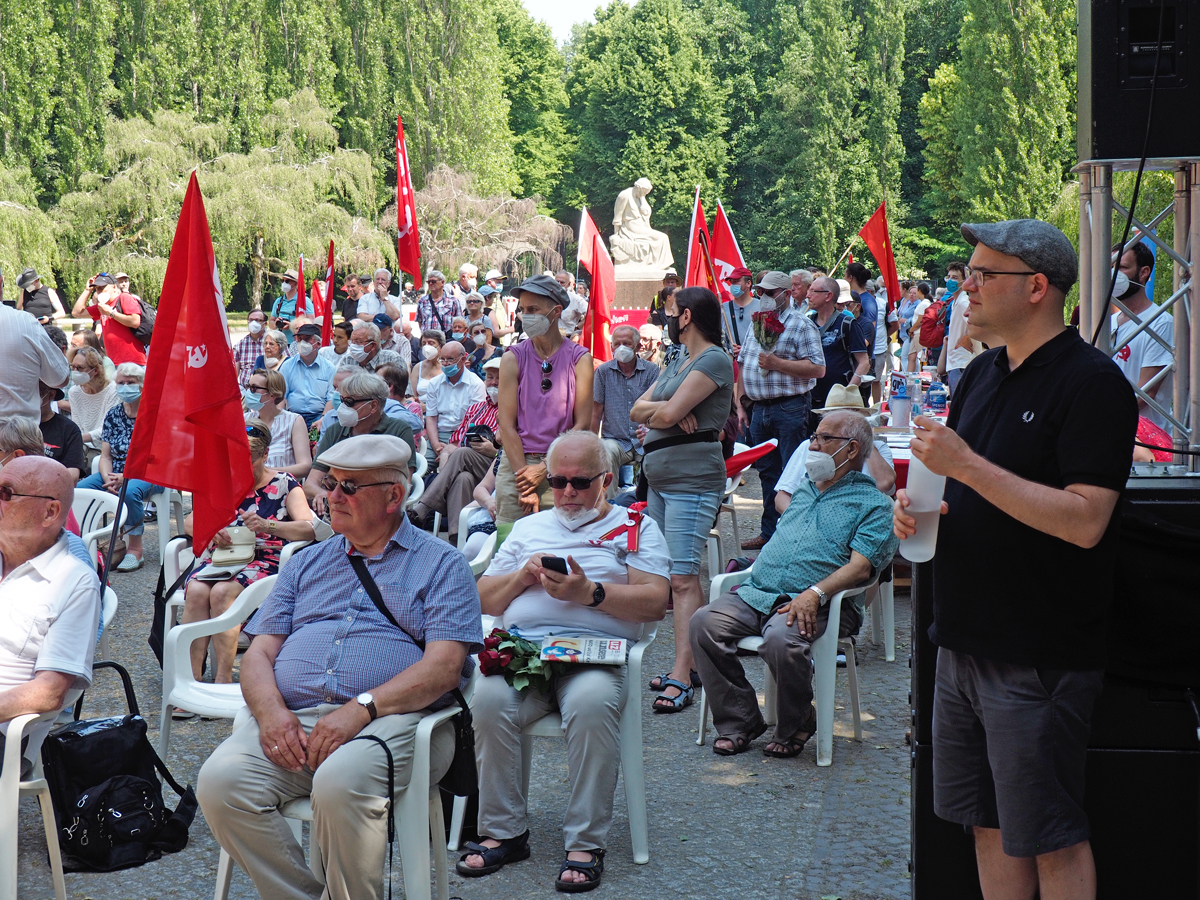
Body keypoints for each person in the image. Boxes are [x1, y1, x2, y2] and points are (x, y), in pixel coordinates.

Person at [892, 219, 1138, 900]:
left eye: (981, 275)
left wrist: (966, 466)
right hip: (964, 643)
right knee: (987, 826)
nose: (964, 287)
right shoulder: (980, 376)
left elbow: (1086, 520)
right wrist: (919, 508)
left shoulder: (1092, 385)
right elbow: (964, 492)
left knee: (1050, 837)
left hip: (1038, 654)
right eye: (968, 273)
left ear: (1035, 288)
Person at [197, 434, 482, 900]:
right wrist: (270, 714)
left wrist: (361, 709)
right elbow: (260, 655)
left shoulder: (442, 564)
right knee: (221, 782)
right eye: (330, 483)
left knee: (340, 780)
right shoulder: (305, 562)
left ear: (394, 496)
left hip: (398, 722)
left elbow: (445, 668)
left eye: (350, 487)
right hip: (297, 721)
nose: (331, 497)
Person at [463, 430, 670, 892]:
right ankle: (504, 833)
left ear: (607, 480)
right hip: (525, 653)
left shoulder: (634, 523)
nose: (568, 492)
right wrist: (522, 576)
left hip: (594, 655)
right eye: (557, 481)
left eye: (581, 481)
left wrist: (589, 594)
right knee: (489, 700)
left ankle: (585, 842)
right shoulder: (528, 528)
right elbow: (482, 597)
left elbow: (656, 601)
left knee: (593, 703)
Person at [692, 410, 897, 757]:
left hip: (826, 603)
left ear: (850, 450)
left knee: (779, 640)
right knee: (702, 624)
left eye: (822, 439)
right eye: (815, 437)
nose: (813, 445)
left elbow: (862, 570)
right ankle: (741, 720)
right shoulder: (805, 489)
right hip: (760, 592)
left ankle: (797, 722)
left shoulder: (874, 505)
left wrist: (814, 593)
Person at [629, 287, 734, 713]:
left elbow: (663, 414)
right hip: (659, 477)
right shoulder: (675, 357)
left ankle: (684, 674)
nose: (665, 318)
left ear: (687, 316)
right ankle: (686, 667)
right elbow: (635, 409)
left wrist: (666, 410)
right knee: (668, 575)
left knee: (684, 578)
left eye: (670, 312)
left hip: (691, 479)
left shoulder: (713, 359)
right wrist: (666, 409)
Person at [178, 420, 316, 688]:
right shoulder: (222, 481)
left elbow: (308, 529)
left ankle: (223, 678)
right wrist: (212, 529)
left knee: (221, 593)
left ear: (265, 455)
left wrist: (268, 525)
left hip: (267, 559)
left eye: (248, 460)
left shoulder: (284, 483)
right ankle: (190, 678)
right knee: (196, 591)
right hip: (225, 557)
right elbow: (189, 522)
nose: (238, 466)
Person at [0, 456, 101, 777]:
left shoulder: (73, 581)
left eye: (6, 492)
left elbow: (49, 692)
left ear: (50, 512)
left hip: (8, 734)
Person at [734, 271, 827, 550]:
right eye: (761, 291)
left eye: (770, 292)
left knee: (791, 473)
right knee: (767, 473)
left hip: (790, 407)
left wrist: (778, 364)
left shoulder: (801, 324)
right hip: (758, 408)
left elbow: (818, 368)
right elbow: (743, 362)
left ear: (786, 294)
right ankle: (769, 532)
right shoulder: (757, 323)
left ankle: (791, 536)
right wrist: (740, 402)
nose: (763, 297)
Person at [495, 275, 593, 524]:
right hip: (517, 467)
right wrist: (524, 481)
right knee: (511, 546)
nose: (525, 316)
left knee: (560, 548)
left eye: (533, 309)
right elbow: (506, 424)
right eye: (523, 310)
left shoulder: (579, 359)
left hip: (564, 468)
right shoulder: (512, 358)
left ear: (556, 311)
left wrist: (545, 468)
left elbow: (581, 425)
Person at [74, 363, 166, 571]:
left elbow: (158, 457)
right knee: (79, 491)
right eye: (121, 383)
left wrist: (126, 476)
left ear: (142, 385)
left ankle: (135, 550)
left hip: (149, 473)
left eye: (130, 383)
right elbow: (105, 455)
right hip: (115, 471)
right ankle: (83, 542)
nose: (125, 387)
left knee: (130, 491)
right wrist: (108, 478)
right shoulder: (114, 414)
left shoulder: (154, 415)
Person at [409, 358, 502, 543]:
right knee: (462, 478)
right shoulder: (477, 408)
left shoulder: (511, 409)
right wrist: (444, 454)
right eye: (490, 378)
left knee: (461, 454)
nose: (493, 382)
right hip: (470, 471)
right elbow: (454, 442)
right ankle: (456, 540)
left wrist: (493, 451)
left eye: (499, 378)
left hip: (495, 470)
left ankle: (422, 507)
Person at [305, 372, 416, 514]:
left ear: (373, 405)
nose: (342, 407)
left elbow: (404, 483)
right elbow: (310, 484)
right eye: (341, 400)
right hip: (337, 507)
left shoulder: (398, 431)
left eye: (349, 402)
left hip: (377, 509)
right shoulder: (336, 430)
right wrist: (322, 493)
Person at [774, 385, 897, 507]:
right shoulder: (809, 446)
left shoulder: (877, 448)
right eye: (835, 415)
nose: (841, 422)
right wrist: (800, 518)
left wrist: (865, 438)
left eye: (848, 417)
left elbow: (885, 484)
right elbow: (782, 496)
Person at [1110, 240, 1174, 431]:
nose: (1114, 275)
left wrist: (1101, 414)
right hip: (1110, 432)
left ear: (1144, 272)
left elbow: (1146, 392)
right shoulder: (1110, 323)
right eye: (1111, 267)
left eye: (1121, 267)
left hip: (1145, 442)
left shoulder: (1160, 323)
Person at [591, 325, 659, 498]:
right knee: (605, 450)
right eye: (617, 343)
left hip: (646, 438)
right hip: (616, 440)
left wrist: (651, 431)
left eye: (627, 343)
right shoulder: (603, 372)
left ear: (637, 347)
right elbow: (596, 412)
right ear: (612, 346)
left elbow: (658, 406)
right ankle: (610, 505)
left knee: (661, 454)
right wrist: (590, 442)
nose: (621, 348)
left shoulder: (652, 371)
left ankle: (651, 504)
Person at [807, 274, 870, 412]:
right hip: (809, 400)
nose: (808, 295)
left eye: (813, 291)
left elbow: (864, 362)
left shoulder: (847, 324)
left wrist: (847, 392)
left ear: (828, 296)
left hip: (837, 404)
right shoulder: (806, 323)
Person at [424, 341, 487, 470]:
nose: (446, 364)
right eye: (443, 359)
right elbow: (431, 417)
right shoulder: (434, 383)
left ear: (463, 359)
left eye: (450, 359)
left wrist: (452, 447)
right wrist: (436, 445)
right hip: (439, 434)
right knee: (422, 466)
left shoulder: (475, 384)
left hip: (464, 437)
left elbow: (474, 423)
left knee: (452, 469)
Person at [243, 368, 312, 478]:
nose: (248, 392)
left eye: (254, 388)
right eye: (248, 386)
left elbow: (304, 466)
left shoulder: (294, 421)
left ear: (272, 394)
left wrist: (265, 472)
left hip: (282, 488)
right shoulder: (244, 420)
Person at [66, 346, 120, 473]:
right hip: (82, 445)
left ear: (95, 370)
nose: (74, 371)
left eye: (79, 368)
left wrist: (78, 439)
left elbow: (107, 429)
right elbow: (77, 425)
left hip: (104, 448)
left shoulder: (113, 390)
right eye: (72, 367)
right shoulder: (74, 392)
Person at [73, 274, 146, 367]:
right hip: (112, 362)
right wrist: (88, 290)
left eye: (103, 287)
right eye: (97, 288)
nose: (100, 291)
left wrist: (111, 313)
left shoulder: (124, 298)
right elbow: (77, 313)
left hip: (132, 361)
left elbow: (135, 322)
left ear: (114, 287)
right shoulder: (101, 306)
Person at [277, 323, 336, 428]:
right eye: (299, 339)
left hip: (319, 416)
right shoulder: (287, 366)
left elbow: (331, 398)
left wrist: (324, 419)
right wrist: (280, 418)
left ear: (318, 344)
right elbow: (281, 395)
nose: (302, 342)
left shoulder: (329, 368)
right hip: (292, 415)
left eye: (307, 339)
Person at [935, 262, 980, 395]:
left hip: (961, 363)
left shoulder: (963, 302)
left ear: (964, 281)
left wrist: (966, 339)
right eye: (949, 277)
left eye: (955, 277)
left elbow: (975, 324)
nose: (950, 280)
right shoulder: (955, 302)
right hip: (956, 362)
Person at [36, 385, 85, 481]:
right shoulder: (13, 424)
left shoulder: (69, 429)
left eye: (34, 393)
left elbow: (73, 474)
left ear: (51, 394)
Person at [339, 320, 407, 376]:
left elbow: (404, 391)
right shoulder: (347, 360)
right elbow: (337, 388)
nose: (352, 346)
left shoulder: (392, 359)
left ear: (372, 346)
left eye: (358, 341)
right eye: (351, 341)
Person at [721, 266, 759, 356]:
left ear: (748, 283)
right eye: (731, 282)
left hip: (753, 363)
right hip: (730, 365)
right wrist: (726, 348)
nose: (733, 285)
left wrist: (747, 350)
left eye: (737, 281)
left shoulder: (761, 307)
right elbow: (715, 337)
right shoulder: (722, 309)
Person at [410, 328, 446, 408]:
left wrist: (428, 408)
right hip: (420, 411)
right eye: (424, 343)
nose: (427, 346)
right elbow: (412, 396)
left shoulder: (447, 367)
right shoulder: (418, 367)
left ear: (441, 346)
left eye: (431, 343)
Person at [234, 309, 268, 386]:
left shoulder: (274, 342)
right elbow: (234, 374)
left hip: (267, 389)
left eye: (257, 320)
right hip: (245, 389)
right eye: (251, 320)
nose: (253, 323)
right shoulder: (240, 345)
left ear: (265, 324)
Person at [906, 282, 934, 371]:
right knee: (911, 356)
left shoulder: (924, 304)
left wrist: (911, 330)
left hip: (919, 333)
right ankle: (909, 376)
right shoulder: (924, 303)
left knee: (922, 358)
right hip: (917, 333)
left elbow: (920, 321)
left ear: (920, 291)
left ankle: (922, 376)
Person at [269, 270, 301, 345]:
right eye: (282, 280)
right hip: (279, 343)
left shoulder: (304, 301)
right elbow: (271, 322)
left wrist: (291, 326)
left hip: (296, 342)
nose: (283, 283)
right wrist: (276, 324)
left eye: (287, 281)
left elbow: (311, 321)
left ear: (295, 284)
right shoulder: (278, 301)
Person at [555, 271, 588, 337]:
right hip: (550, 339)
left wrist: (577, 329)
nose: (559, 284)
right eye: (556, 282)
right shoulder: (547, 297)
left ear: (569, 284)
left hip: (568, 338)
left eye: (562, 282)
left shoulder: (576, 299)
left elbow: (591, 314)